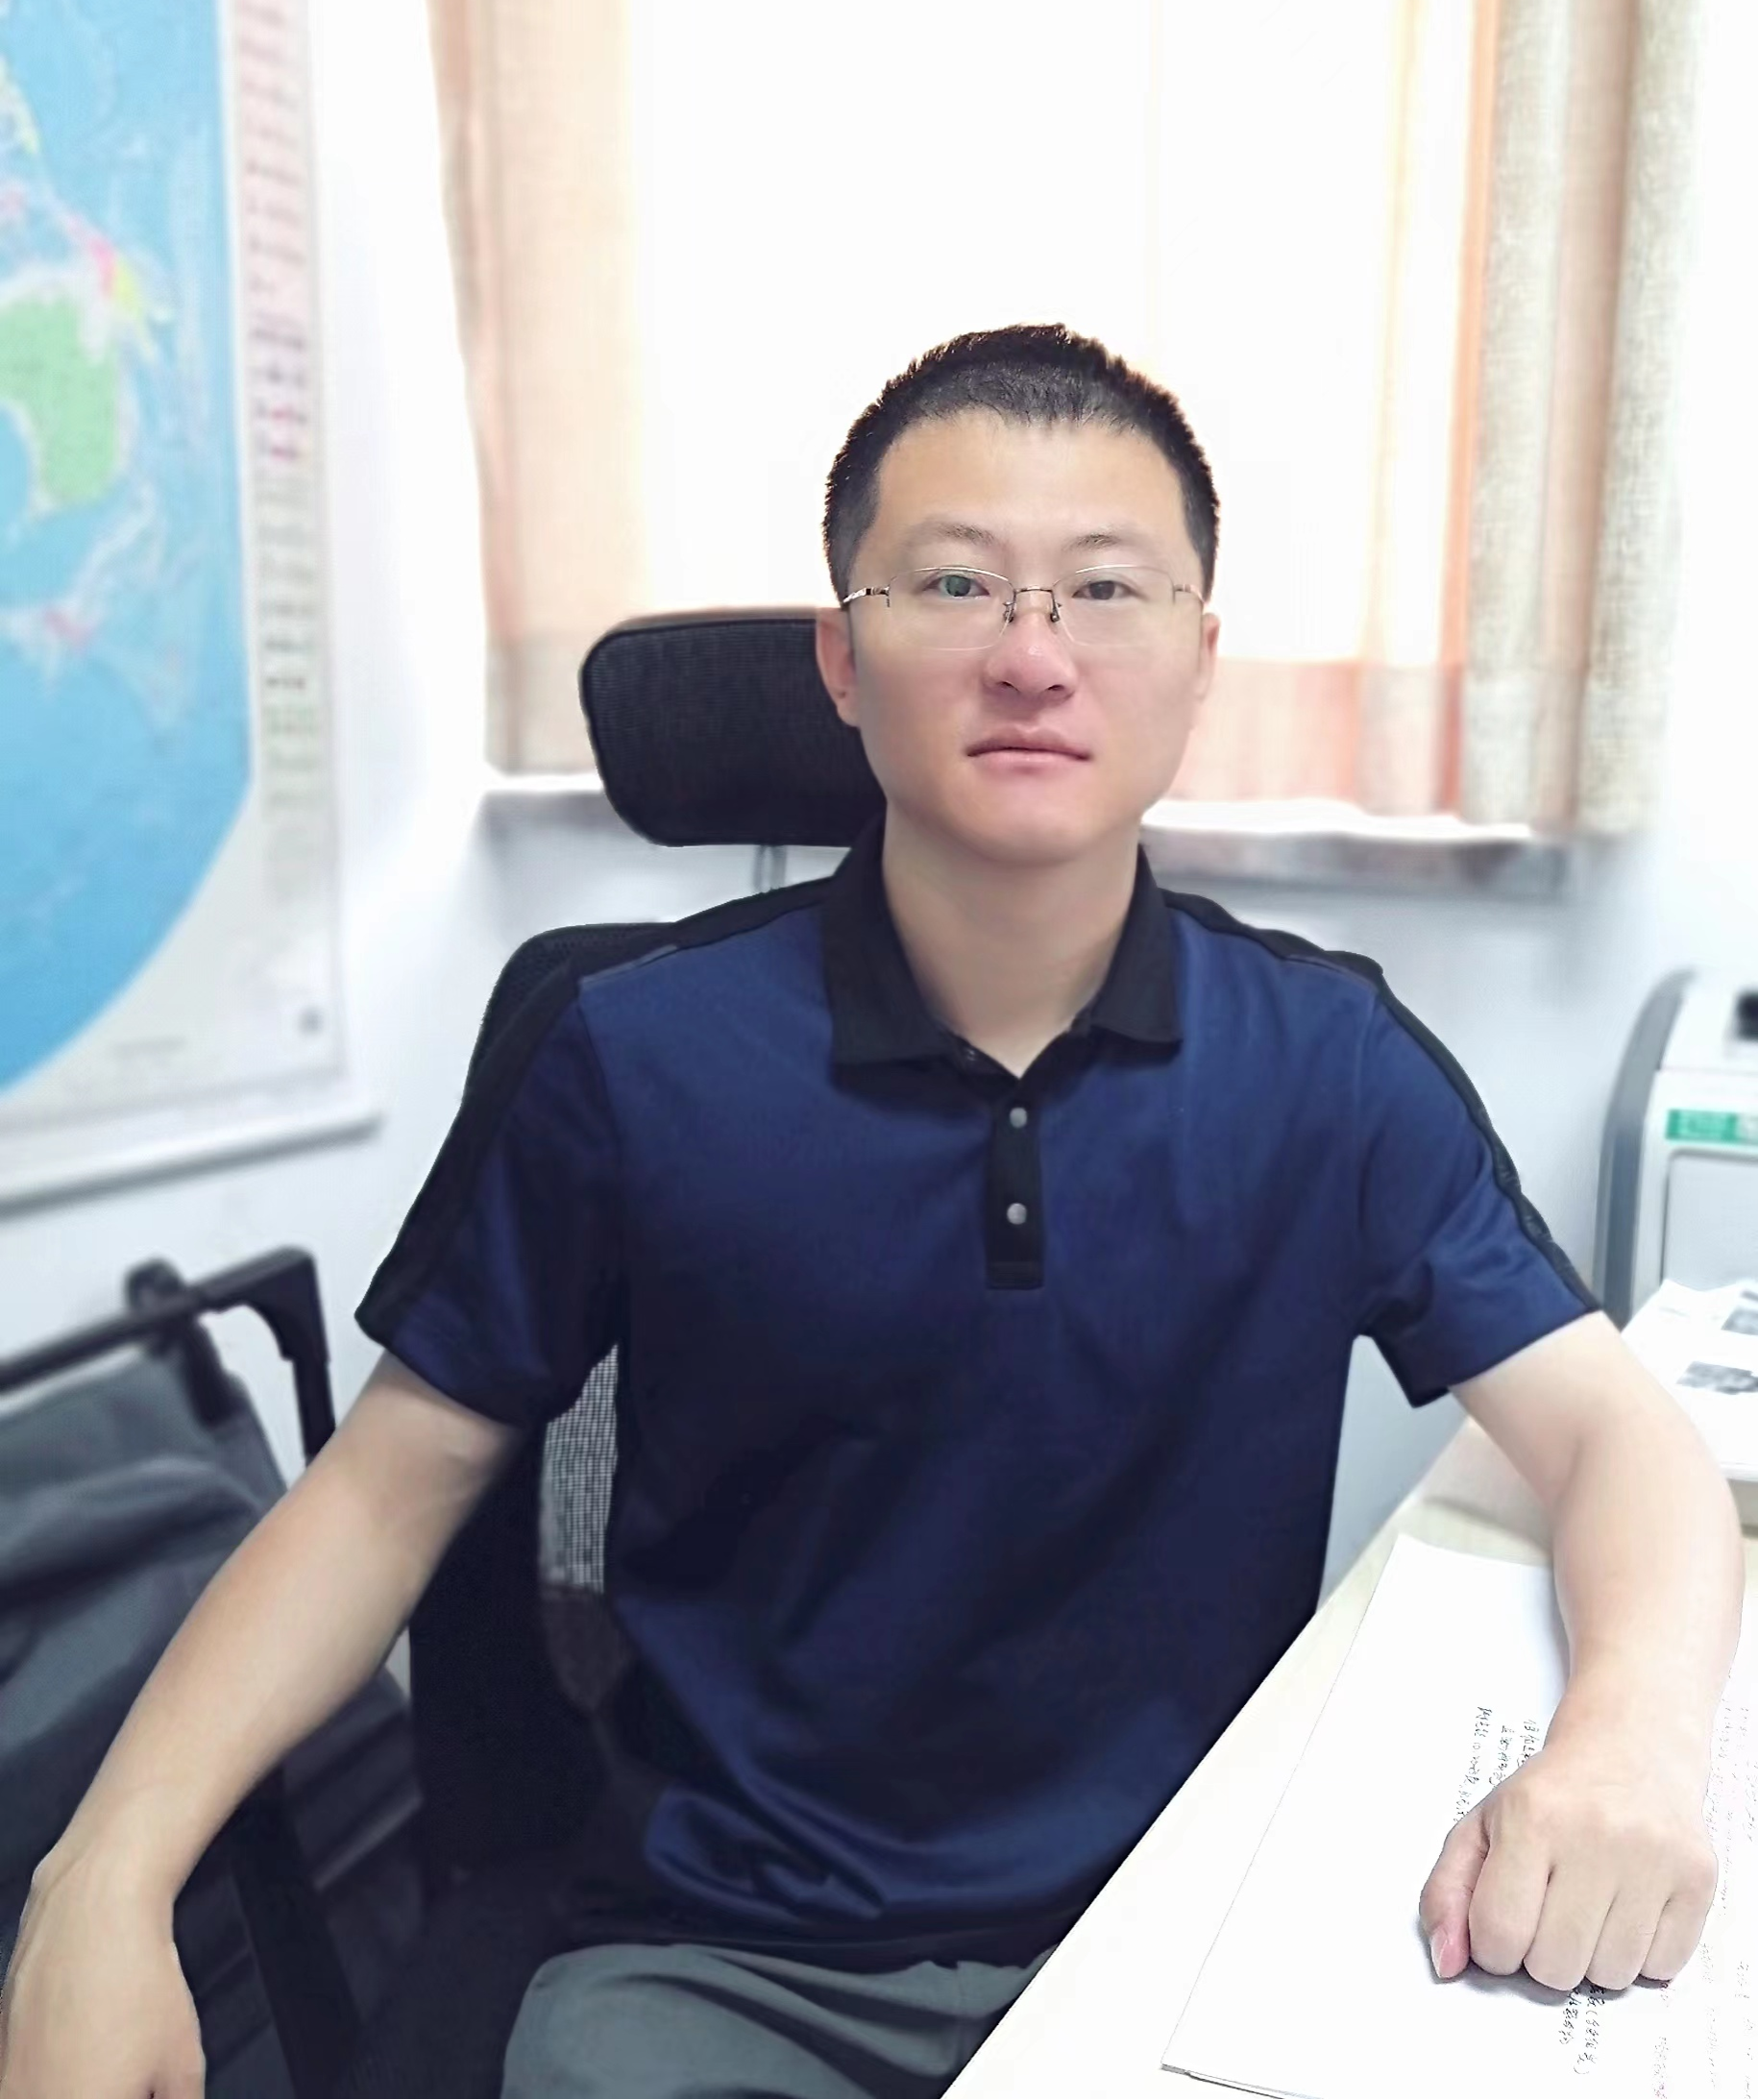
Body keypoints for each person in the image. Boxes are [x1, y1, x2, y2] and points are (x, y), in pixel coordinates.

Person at [0, 324, 1741, 2100]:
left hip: (1165, 1927)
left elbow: (1618, 1438)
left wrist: (1627, 1739)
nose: (1031, 656)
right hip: (720, 1959)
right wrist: (103, 1876)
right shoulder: (629, 1053)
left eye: (1105, 589)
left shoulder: (1330, 1066)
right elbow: (385, 1486)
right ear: (842, 657)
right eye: (955, 583)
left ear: (1198, 660)